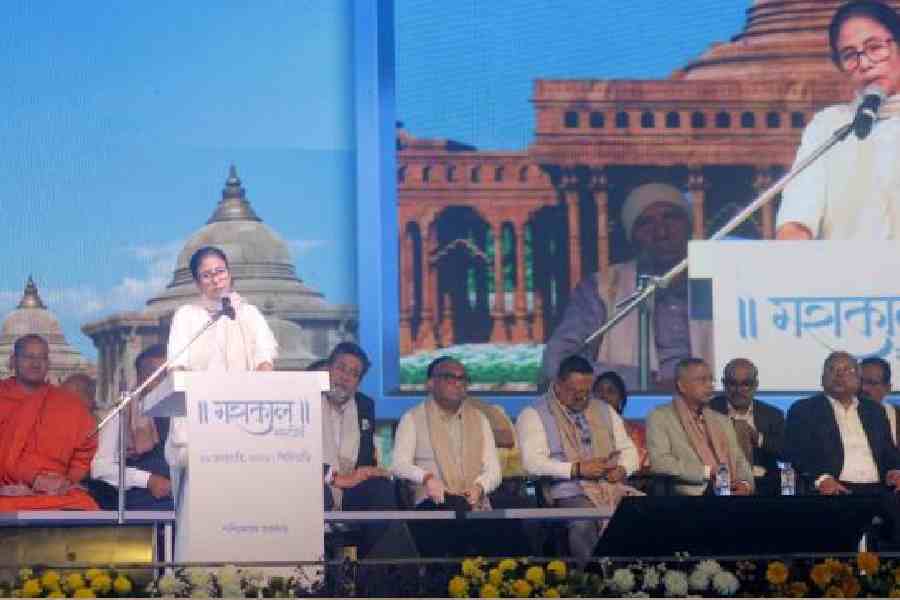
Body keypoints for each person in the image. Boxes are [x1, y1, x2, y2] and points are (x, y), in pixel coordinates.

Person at [542, 182, 713, 390]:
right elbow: (557, 362)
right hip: (631, 413)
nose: (661, 232)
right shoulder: (603, 288)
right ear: (632, 237)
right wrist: (645, 383)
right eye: (645, 223)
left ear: (689, 226)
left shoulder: (721, 281)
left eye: (671, 217)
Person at [164, 247, 279, 553]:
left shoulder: (249, 314)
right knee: (199, 523)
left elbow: (265, 359)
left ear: (230, 273)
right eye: (206, 274)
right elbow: (177, 366)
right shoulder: (187, 317)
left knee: (245, 519)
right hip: (199, 430)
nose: (215, 279)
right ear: (197, 282)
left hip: (245, 430)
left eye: (220, 271)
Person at [776, 1, 900, 240]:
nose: (864, 64)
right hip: (847, 276)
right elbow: (796, 220)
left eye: (875, 48)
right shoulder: (828, 127)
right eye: (849, 55)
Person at [517, 356, 641, 561]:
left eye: (585, 392)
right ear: (557, 385)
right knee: (584, 521)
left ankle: (633, 580)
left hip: (611, 487)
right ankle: (591, 582)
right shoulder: (534, 414)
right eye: (574, 392)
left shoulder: (603, 409)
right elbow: (532, 463)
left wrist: (622, 469)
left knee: (643, 511)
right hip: (566, 492)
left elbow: (629, 451)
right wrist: (576, 470)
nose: (581, 398)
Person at [391, 357, 505, 556]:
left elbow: (493, 470)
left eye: (462, 378)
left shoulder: (479, 419)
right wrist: (427, 478)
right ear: (430, 383)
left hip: (474, 502)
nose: (458, 383)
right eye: (449, 377)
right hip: (433, 503)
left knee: (513, 534)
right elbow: (399, 465)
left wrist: (480, 487)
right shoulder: (412, 419)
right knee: (450, 523)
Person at [320, 342, 410, 557]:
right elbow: (297, 454)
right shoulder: (306, 400)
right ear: (328, 369)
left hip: (350, 489)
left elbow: (364, 458)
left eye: (354, 374)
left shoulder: (364, 405)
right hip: (316, 485)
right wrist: (335, 478)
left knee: (381, 489)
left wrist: (371, 471)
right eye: (341, 368)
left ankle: (373, 574)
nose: (345, 377)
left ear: (358, 382)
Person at [0, 334, 98, 510]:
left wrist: (66, 482)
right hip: (8, 492)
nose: (36, 364)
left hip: (55, 493)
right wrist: (17, 483)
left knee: (85, 505)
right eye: (29, 357)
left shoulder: (69, 404)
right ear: (13, 361)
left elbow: (85, 450)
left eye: (42, 358)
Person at [785, 351, 900, 495]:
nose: (839, 375)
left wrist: (895, 471)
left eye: (847, 370)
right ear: (822, 379)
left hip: (880, 489)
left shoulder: (875, 411)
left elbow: (889, 452)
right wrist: (821, 479)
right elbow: (796, 453)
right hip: (835, 488)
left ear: (858, 380)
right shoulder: (804, 409)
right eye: (832, 369)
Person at [646, 358, 753, 496]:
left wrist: (745, 485)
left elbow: (740, 461)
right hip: (689, 500)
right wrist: (707, 472)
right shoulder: (660, 417)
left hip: (731, 496)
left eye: (711, 380)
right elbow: (661, 463)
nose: (710, 386)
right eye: (702, 380)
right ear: (681, 385)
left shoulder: (721, 420)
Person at [89, 345, 173, 510]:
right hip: (143, 498)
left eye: (168, 376)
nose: (164, 382)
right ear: (141, 378)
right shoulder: (122, 414)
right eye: (157, 375)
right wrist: (147, 480)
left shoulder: (185, 414)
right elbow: (99, 468)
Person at [709, 358, 786, 495]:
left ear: (755, 385)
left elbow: (785, 452)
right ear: (724, 384)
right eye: (732, 383)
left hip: (763, 484)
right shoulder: (709, 410)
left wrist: (759, 438)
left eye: (746, 384)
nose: (739, 390)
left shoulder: (772, 414)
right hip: (722, 483)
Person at [593, 370, 649, 471]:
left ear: (621, 399)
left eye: (611, 391)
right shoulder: (583, 430)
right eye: (599, 391)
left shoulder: (640, 434)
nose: (604, 396)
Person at [860, 356, 900, 446]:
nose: (863, 388)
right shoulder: (835, 415)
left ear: (887, 388)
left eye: (872, 383)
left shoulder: (896, 417)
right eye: (860, 381)